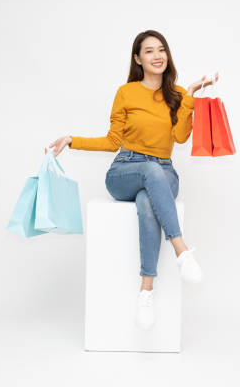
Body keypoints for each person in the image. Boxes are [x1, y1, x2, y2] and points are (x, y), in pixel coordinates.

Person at [45, 30, 218, 330]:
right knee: (148, 172)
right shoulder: (126, 92)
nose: (157, 56)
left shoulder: (176, 95)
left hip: (164, 171)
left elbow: (179, 137)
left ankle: (146, 292)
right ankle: (182, 251)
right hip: (126, 169)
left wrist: (188, 96)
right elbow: (113, 142)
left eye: (161, 49)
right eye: (149, 51)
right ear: (138, 59)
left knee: (147, 202)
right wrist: (73, 140)